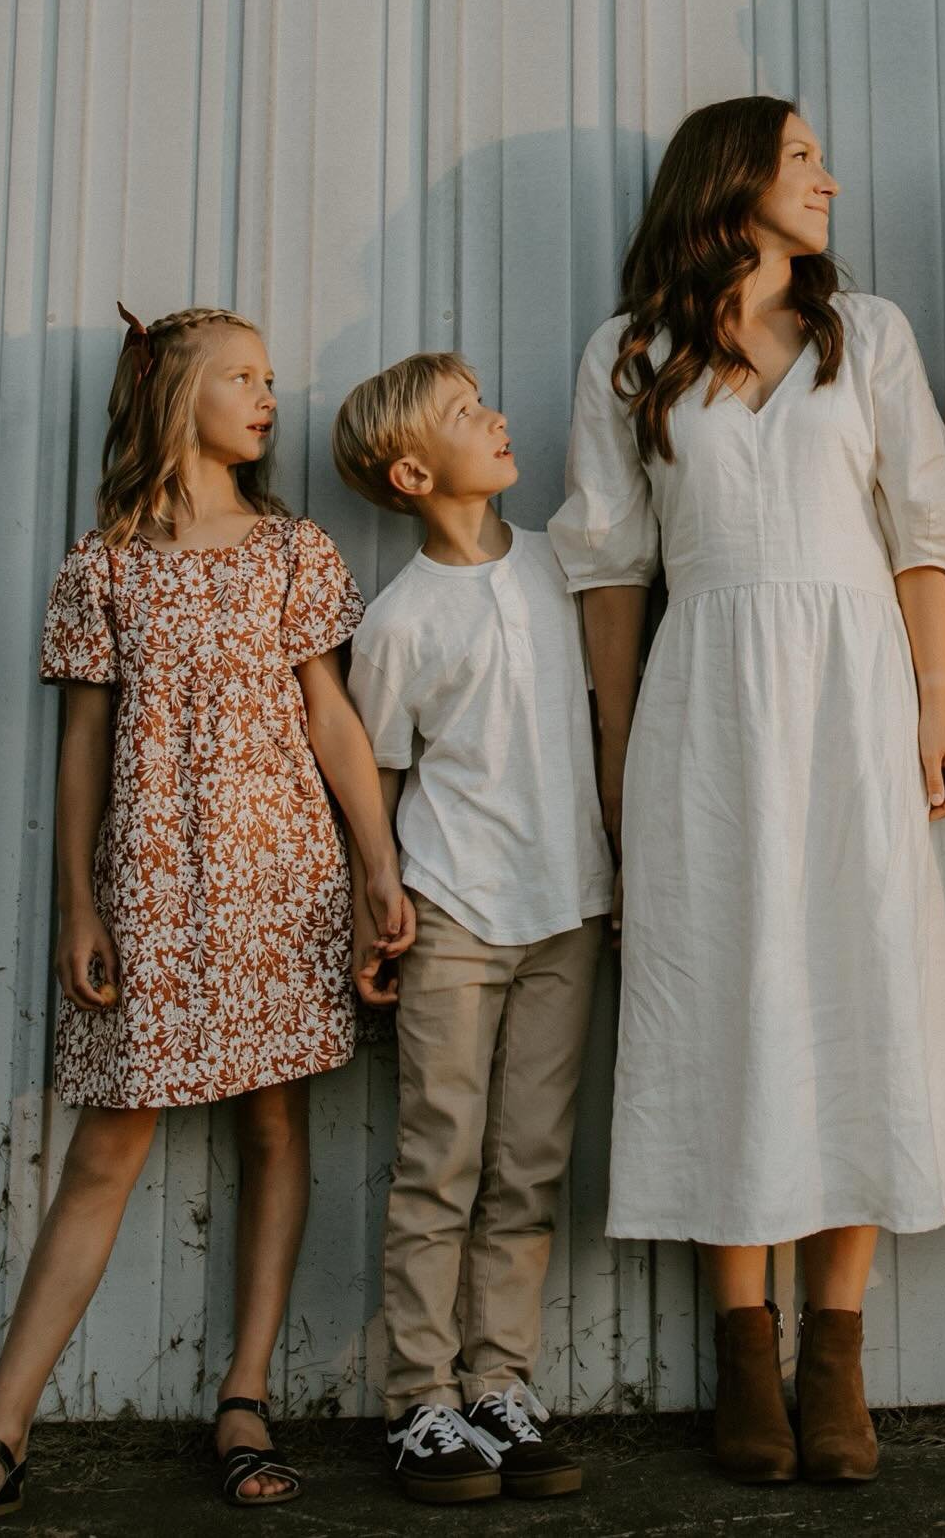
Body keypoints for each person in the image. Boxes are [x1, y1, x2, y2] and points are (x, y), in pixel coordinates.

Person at [0, 307, 412, 1537]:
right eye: (243, 378)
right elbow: (84, 743)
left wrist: (379, 870)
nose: (271, 397)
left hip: (283, 878)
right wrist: (79, 902)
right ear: (176, 396)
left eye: (274, 378)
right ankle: (0, 1436)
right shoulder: (105, 559)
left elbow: (332, 720)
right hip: (154, 884)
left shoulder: (291, 549)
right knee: (109, 1147)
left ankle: (246, 1399)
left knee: (277, 1125)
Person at [551, 97, 945, 1487]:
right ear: (733, 178)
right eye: (803, 155)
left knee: (857, 985)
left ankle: (836, 1352)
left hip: (859, 689)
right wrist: (616, 753)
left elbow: (924, 526)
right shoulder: (630, 356)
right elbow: (604, 567)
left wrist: (934, 700)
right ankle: (740, 1348)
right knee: (722, 993)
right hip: (706, 703)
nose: (829, 176)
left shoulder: (865, 334)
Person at [335, 352, 615, 1506]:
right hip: (453, 916)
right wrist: (374, 905)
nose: (496, 416)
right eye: (465, 415)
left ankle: (501, 1384)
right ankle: (420, 1402)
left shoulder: (563, 566)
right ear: (412, 471)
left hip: (568, 910)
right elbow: (379, 781)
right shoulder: (400, 620)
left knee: (530, 1165)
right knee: (439, 1163)